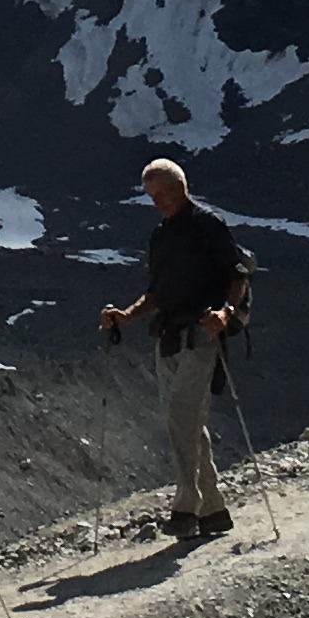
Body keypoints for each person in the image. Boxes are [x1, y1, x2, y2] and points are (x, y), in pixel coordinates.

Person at [98, 156, 249, 537]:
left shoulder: (207, 225)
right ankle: (214, 510)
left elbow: (237, 276)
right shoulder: (161, 235)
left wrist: (225, 314)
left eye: (162, 193)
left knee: (181, 416)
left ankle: (185, 507)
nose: (157, 201)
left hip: (202, 333)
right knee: (186, 420)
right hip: (168, 336)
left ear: (181, 186)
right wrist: (126, 316)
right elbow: (157, 292)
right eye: (151, 195)